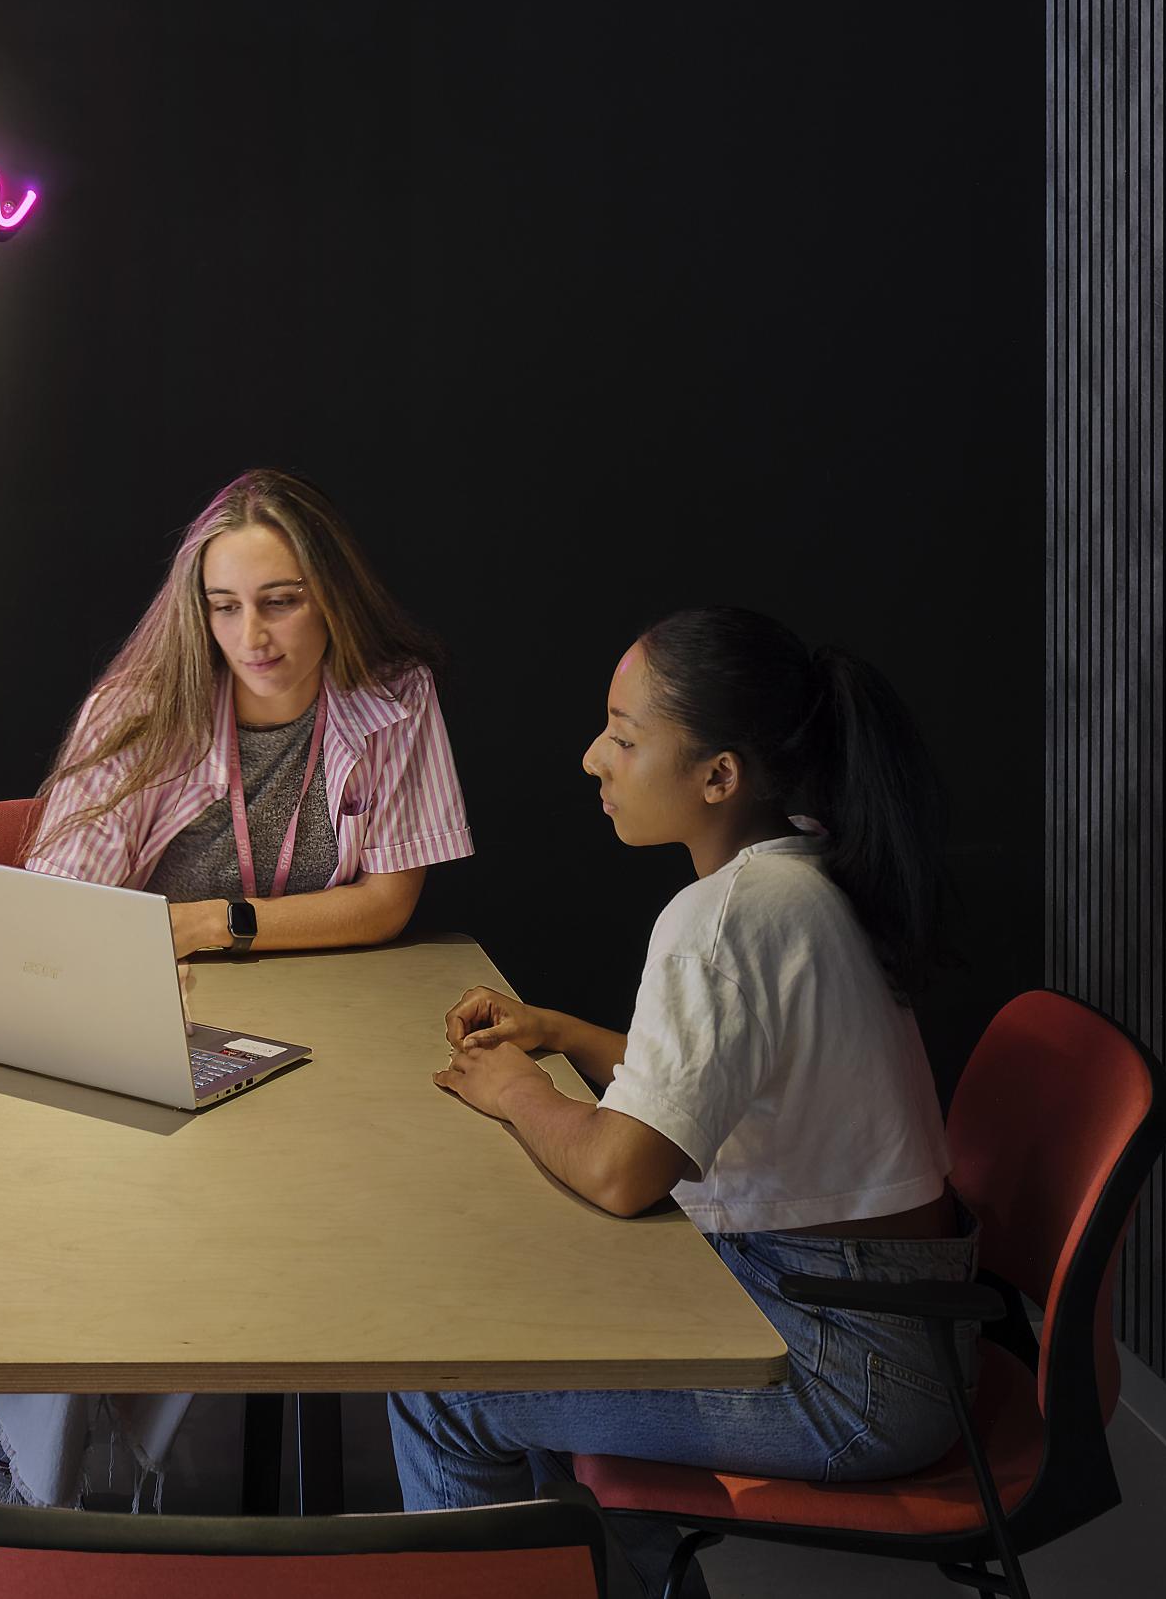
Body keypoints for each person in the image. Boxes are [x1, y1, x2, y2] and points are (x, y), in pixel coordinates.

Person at [389, 606, 975, 1576]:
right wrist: (564, 1035)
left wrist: (517, 1089)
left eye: (624, 735)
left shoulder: (725, 918)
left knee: (443, 1382)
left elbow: (625, 1171)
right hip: (890, 1322)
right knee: (516, 1305)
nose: (592, 757)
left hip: (843, 1361)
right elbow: (726, 1084)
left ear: (719, 775)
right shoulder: (809, 871)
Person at [0, 467, 474, 1508]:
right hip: (164, 1018)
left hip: (332, 1033)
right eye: (226, 604)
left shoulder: (397, 694)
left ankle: (194, 1473)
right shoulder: (142, 704)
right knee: (100, 1197)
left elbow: (387, 904)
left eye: (281, 599)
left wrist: (211, 919)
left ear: (330, 591)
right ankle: (45, 1493)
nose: (255, 634)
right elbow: (58, 910)